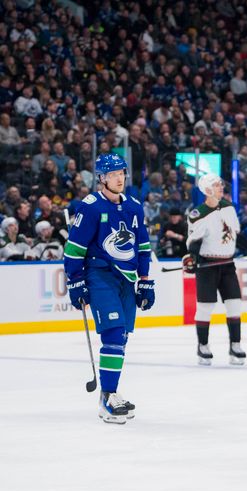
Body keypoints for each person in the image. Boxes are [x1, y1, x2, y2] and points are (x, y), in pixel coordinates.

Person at [63, 154, 155, 424]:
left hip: (126, 279)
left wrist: (145, 280)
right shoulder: (90, 207)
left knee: (122, 337)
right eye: (113, 173)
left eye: (122, 173)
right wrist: (75, 280)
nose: (119, 178)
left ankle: (111, 393)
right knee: (113, 334)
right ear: (101, 178)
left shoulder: (135, 207)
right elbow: (73, 250)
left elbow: (143, 247)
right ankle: (107, 397)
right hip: (100, 274)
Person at [183, 174, 247, 365]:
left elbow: (236, 235)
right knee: (205, 307)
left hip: (228, 264)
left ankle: (235, 346)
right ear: (207, 190)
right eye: (216, 185)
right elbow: (194, 243)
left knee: (234, 305)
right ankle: (202, 346)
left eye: (221, 184)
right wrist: (192, 259)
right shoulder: (198, 214)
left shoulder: (229, 208)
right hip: (207, 266)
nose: (221, 187)